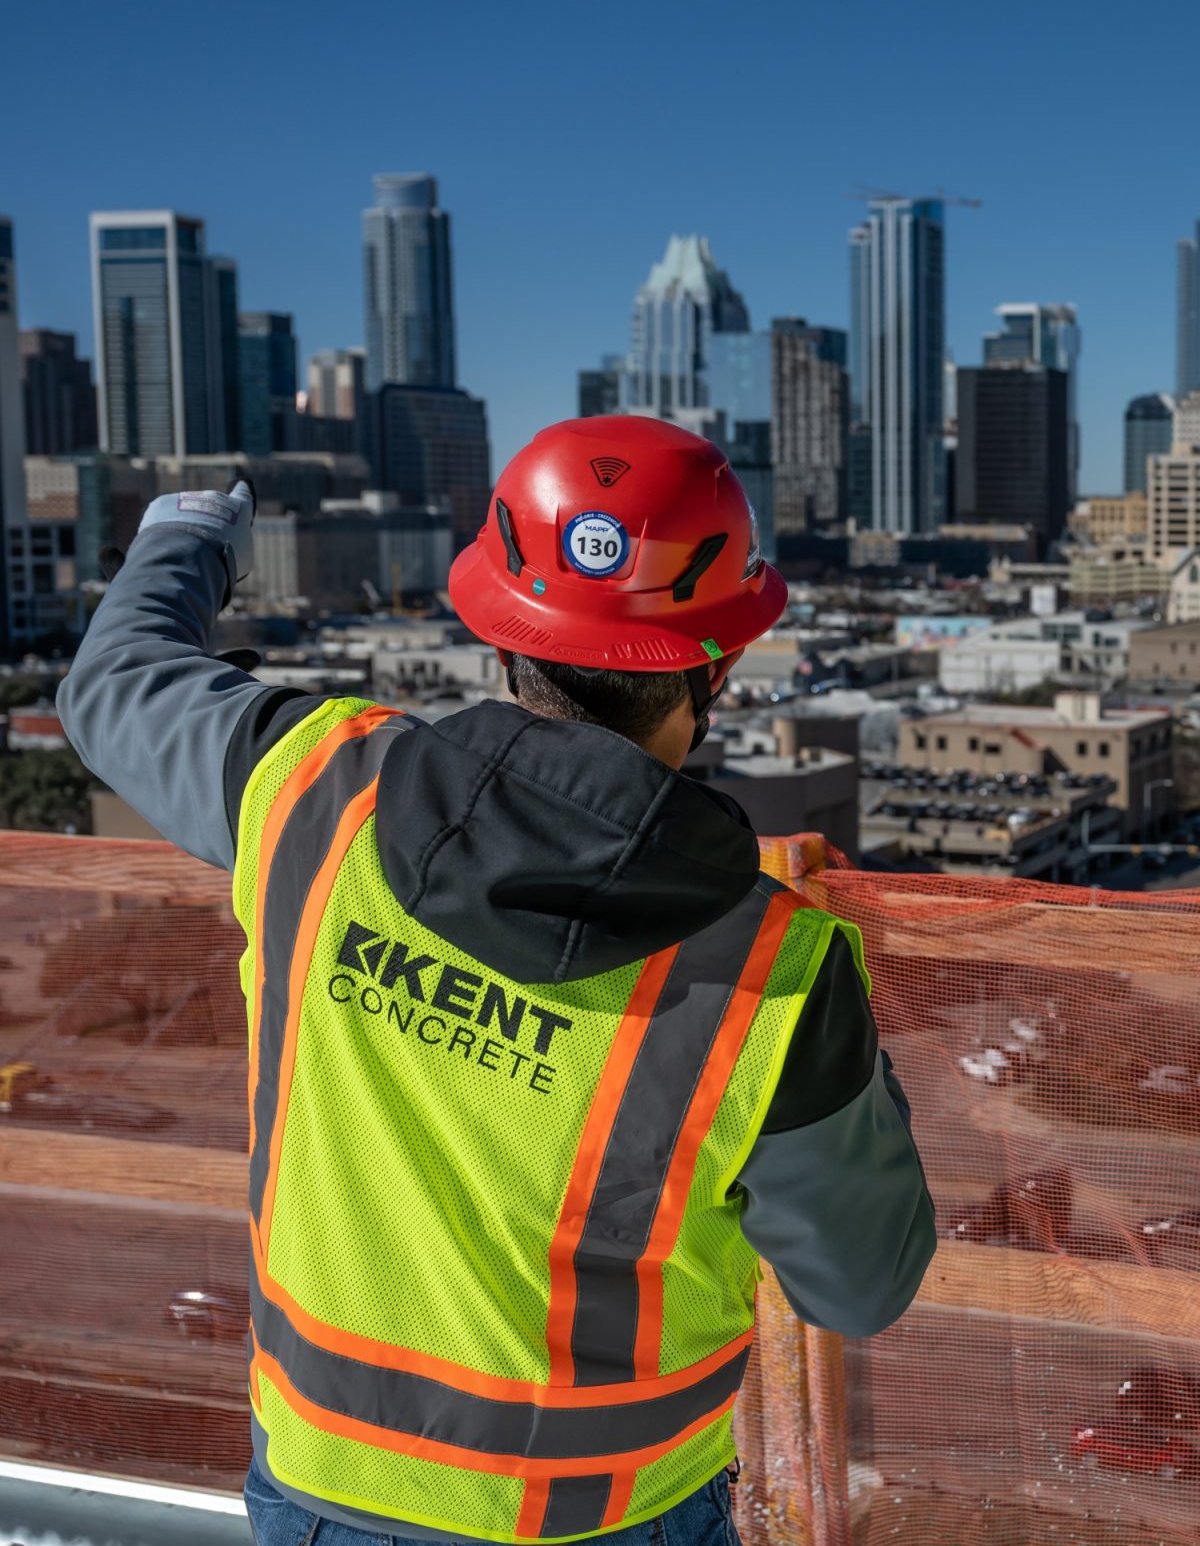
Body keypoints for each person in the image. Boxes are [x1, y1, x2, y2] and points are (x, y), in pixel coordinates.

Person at [58, 415, 935, 1546]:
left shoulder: (313, 798)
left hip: (327, 1491)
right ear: (716, 661)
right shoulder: (774, 975)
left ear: (500, 631)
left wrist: (189, 536)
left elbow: (118, 682)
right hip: (615, 1516)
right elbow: (863, 1285)